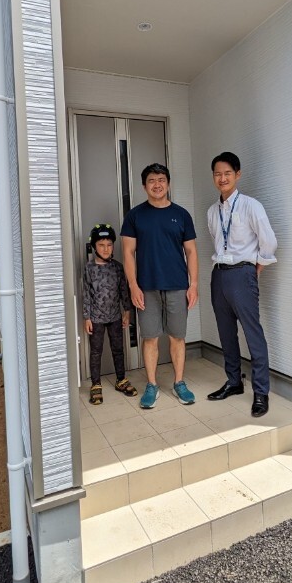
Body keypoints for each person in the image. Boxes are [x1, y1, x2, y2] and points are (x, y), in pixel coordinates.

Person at [121, 163, 198, 409]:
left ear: (168, 183)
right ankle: (152, 385)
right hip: (147, 287)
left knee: (178, 336)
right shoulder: (135, 216)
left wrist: (193, 284)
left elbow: (191, 251)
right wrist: (133, 286)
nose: (157, 184)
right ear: (144, 186)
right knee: (150, 337)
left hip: (177, 285)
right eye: (152, 180)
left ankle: (179, 382)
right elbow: (128, 252)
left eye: (161, 179)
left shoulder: (182, 215)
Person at [206, 152, 277, 417]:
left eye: (227, 173)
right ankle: (234, 382)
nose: (222, 178)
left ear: (237, 174)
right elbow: (217, 241)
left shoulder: (250, 206)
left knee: (252, 334)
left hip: (242, 274)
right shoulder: (212, 211)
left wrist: (256, 267)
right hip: (219, 275)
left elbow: (269, 241)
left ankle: (261, 392)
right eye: (217, 173)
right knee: (226, 333)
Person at [82, 223, 137, 406]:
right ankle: (96, 384)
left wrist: (127, 311)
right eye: (101, 245)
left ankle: (121, 380)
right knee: (96, 352)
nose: (106, 249)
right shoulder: (89, 268)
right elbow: (86, 294)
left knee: (118, 349)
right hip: (96, 318)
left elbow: (123, 291)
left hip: (115, 316)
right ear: (94, 247)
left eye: (109, 245)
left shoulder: (118, 267)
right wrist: (87, 317)